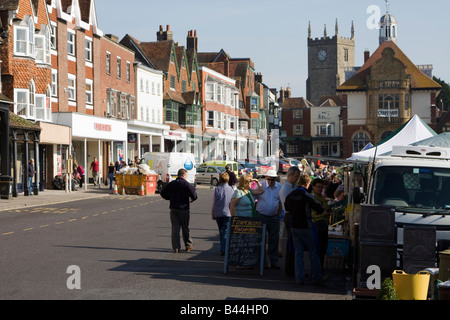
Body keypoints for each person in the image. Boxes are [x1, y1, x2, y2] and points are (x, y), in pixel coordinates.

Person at [284, 174, 327, 285]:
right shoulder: (307, 195)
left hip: (294, 225)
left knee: (298, 252)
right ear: (307, 184)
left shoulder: (291, 195)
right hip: (306, 225)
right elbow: (320, 208)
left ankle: (299, 277)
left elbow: (286, 207)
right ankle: (317, 276)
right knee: (313, 252)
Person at [160, 169, 198, 253]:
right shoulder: (186, 184)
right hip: (183, 208)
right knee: (185, 227)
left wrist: (169, 198)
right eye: (186, 175)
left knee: (175, 229)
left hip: (173, 208)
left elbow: (163, 193)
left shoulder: (172, 183)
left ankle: (176, 247)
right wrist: (192, 199)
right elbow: (194, 194)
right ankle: (188, 245)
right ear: (183, 175)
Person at [255, 170, 283, 269]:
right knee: (261, 239)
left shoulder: (279, 187)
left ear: (276, 179)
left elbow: (280, 203)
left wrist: (278, 215)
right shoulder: (261, 185)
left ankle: (274, 261)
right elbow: (253, 197)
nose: (270, 181)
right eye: (269, 179)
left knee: (274, 240)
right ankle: (263, 262)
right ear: (266, 178)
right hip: (261, 215)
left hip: (273, 217)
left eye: (272, 180)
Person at [279, 166, 301, 276]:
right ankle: (290, 269)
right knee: (291, 244)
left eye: (298, 177)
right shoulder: (285, 189)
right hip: (290, 215)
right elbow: (288, 206)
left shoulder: (293, 186)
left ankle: (294, 268)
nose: (297, 179)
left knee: (295, 244)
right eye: (296, 177)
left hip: (294, 215)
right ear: (290, 175)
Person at [211, 172, 234, 255]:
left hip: (218, 213)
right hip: (228, 213)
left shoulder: (216, 189)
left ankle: (222, 247)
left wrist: (212, 213)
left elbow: (213, 202)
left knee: (221, 230)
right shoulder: (231, 189)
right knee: (226, 231)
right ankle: (224, 248)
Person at [311, 178, 330, 271]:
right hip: (317, 225)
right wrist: (324, 213)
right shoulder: (312, 197)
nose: (319, 189)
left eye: (321, 187)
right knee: (318, 249)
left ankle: (319, 270)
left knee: (322, 250)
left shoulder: (321, 197)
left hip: (323, 224)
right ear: (313, 187)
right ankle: (316, 271)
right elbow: (313, 213)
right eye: (318, 187)